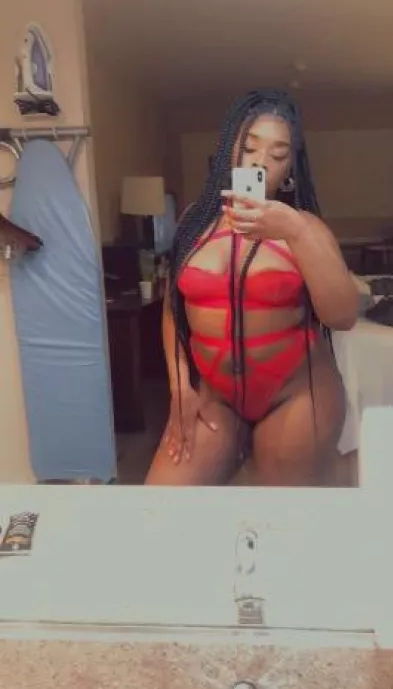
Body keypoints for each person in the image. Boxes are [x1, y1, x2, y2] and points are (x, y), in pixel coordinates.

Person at [145, 88, 358, 487]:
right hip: (217, 397)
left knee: (279, 511)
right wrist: (179, 386)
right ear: (230, 150)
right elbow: (173, 309)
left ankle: (342, 469)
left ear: (289, 168)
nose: (261, 162)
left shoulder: (305, 227)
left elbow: (343, 316)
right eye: (249, 148)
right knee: (159, 503)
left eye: (278, 155)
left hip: (295, 394)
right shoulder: (193, 222)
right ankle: (314, 468)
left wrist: (294, 230)